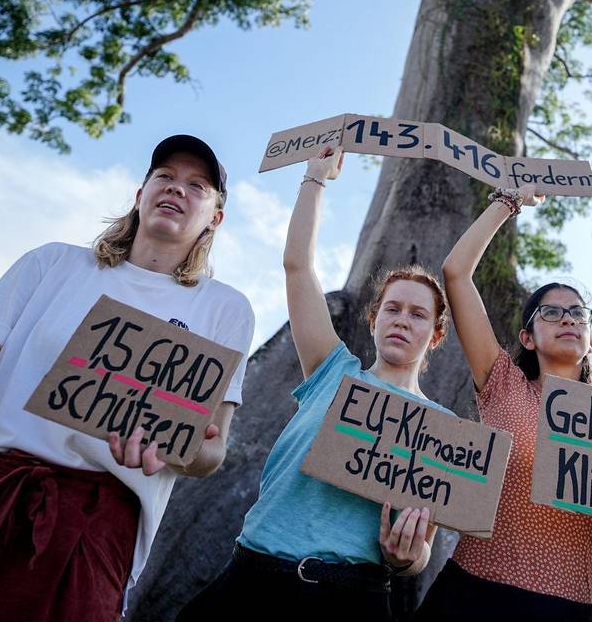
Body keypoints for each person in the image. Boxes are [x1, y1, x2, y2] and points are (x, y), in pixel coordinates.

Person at [0, 135, 255, 622]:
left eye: (197, 186)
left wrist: (170, 447)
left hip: (92, 532)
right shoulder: (52, 263)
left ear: (215, 218)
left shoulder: (225, 309)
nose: (176, 188)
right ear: (140, 194)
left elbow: (211, 452)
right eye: (164, 176)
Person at [179, 145, 446, 620]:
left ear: (436, 334)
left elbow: (422, 546)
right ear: (373, 320)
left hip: (352, 598)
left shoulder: (441, 427)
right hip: (250, 581)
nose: (402, 320)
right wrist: (315, 179)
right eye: (392, 308)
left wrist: (407, 557)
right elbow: (297, 267)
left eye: (418, 314)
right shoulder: (331, 371)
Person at [414, 186, 592, 622]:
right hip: (467, 595)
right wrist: (507, 202)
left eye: (578, 313)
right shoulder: (502, 383)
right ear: (527, 337)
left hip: (562, 611)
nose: (567, 318)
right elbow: (456, 273)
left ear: (591, 339)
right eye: (551, 312)